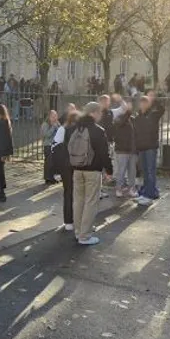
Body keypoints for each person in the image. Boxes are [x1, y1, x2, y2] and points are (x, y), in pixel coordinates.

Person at [67, 102, 113, 246]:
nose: (101, 115)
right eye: (99, 112)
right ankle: (85, 235)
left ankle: (78, 231)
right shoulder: (98, 130)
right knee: (91, 202)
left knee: (78, 201)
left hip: (77, 169)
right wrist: (109, 170)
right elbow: (103, 153)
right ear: (93, 113)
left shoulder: (75, 128)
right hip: (93, 171)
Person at [132, 92, 165, 206]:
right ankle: (146, 193)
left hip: (151, 147)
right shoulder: (137, 117)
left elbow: (162, 109)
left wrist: (154, 99)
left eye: (146, 102)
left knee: (151, 171)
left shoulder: (153, 115)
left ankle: (149, 195)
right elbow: (135, 134)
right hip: (141, 147)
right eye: (142, 103)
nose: (143, 105)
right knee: (145, 172)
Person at [111, 98, 137, 198]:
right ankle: (119, 189)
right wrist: (128, 112)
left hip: (132, 150)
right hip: (122, 149)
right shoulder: (118, 118)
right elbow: (119, 124)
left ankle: (131, 188)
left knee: (132, 171)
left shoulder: (133, 119)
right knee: (121, 171)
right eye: (126, 106)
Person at [41, 109, 60, 185]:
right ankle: (47, 178)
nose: (54, 118)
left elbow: (60, 132)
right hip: (48, 145)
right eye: (53, 116)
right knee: (49, 163)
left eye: (56, 116)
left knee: (54, 163)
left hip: (55, 145)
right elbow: (46, 135)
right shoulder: (45, 124)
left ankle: (53, 177)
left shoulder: (57, 124)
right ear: (49, 117)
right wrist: (53, 127)